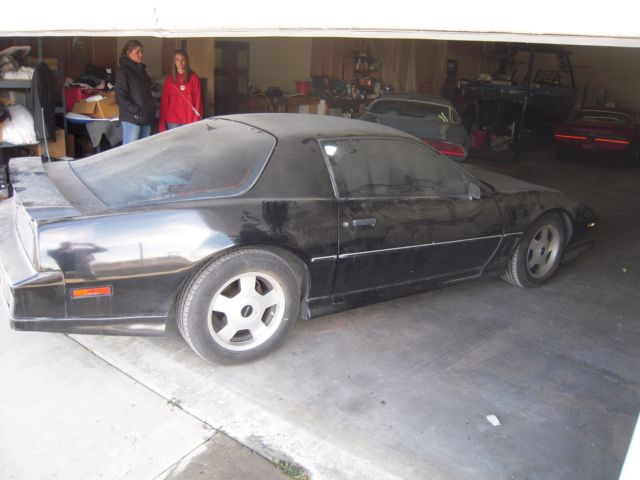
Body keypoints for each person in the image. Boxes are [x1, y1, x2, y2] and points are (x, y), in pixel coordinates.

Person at [115, 40, 156, 144]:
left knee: (143, 153)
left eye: (142, 52)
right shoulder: (123, 71)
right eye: (137, 52)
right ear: (129, 53)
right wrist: (136, 110)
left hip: (145, 117)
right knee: (130, 153)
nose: (141, 55)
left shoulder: (142, 70)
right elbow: (119, 97)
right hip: (132, 118)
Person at [159, 49, 203, 132]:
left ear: (186, 61)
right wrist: (162, 126)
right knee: (176, 145)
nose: (180, 62)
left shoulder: (194, 78)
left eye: (183, 59)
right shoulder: (169, 80)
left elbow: (198, 101)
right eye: (177, 59)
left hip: (190, 120)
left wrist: (196, 121)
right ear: (174, 62)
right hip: (173, 120)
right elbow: (164, 103)